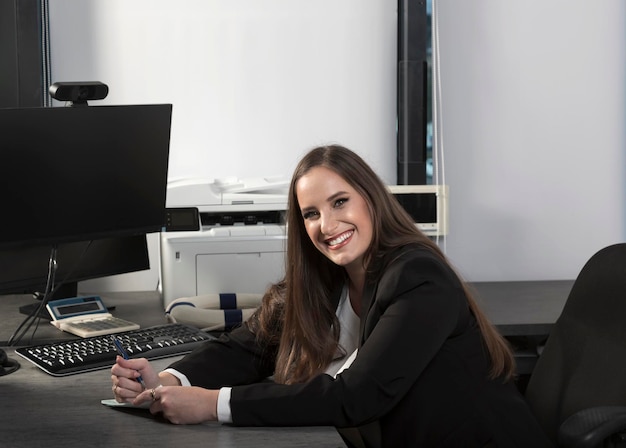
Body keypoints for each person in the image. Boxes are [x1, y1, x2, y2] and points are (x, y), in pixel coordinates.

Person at [111, 144, 552, 447]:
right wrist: (168, 381)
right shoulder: (321, 282)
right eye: (311, 214)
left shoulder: (419, 278)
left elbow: (356, 395)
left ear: (371, 199)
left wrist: (212, 404)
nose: (327, 224)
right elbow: (244, 349)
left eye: (341, 202)